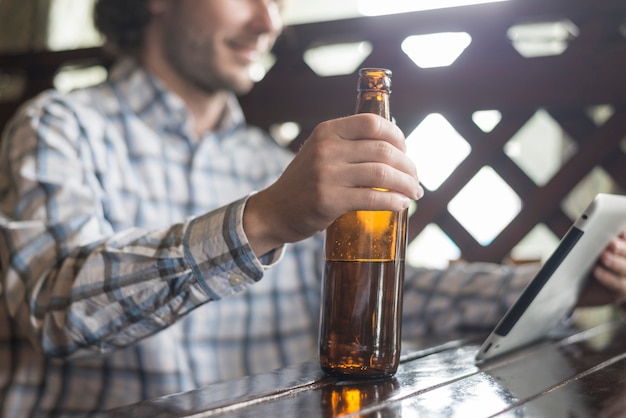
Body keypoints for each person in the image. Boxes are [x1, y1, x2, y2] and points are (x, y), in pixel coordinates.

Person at [0, 0, 625, 416]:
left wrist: (562, 284)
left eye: (278, 2)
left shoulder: (264, 157)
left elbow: (386, 295)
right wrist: (264, 218)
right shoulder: (60, 123)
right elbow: (53, 309)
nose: (268, 22)